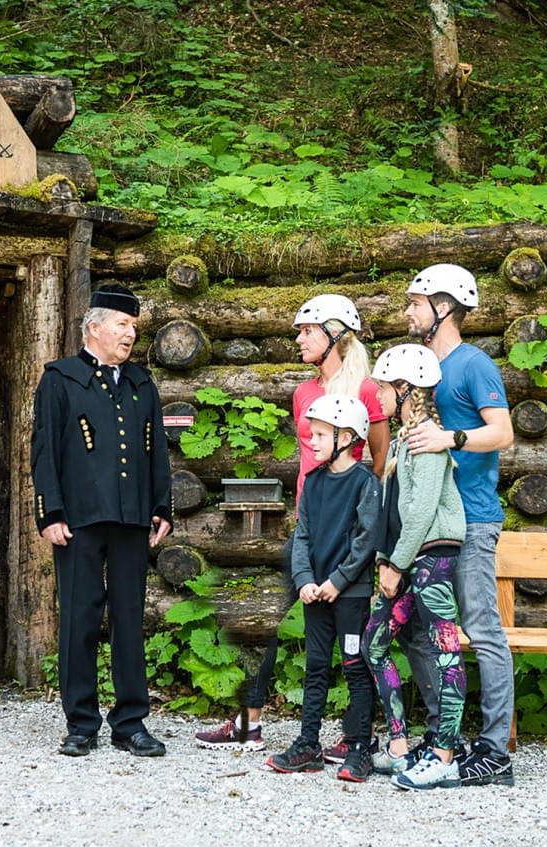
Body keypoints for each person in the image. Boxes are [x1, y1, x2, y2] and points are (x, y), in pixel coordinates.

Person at [195, 294, 390, 754]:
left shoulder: (366, 389)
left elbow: (379, 462)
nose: (298, 339)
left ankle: (355, 736)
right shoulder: (304, 392)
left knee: (352, 638)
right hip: (309, 527)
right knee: (265, 620)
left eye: (308, 331)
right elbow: (307, 466)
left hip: (351, 535)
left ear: (336, 334)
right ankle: (250, 722)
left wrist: (359, 537)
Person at [31, 284, 173, 758]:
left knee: (130, 619)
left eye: (133, 326)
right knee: (79, 619)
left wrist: (161, 507)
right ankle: (81, 723)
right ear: (94, 327)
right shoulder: (60, 378)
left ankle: (130, 723)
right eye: (122, 324)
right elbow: (44, 451)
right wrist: (49, 513)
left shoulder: (141, 383)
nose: (130, 334)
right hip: (79, 522)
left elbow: (156, 452)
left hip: (132, 518)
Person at [402, 263, 516, 786]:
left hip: (472, 518)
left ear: (442, 306)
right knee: (420, 631)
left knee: (481, 629)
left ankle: (495, 751)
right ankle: (447, 735)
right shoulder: (419, 364)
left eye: (415, 303)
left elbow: (503, 433)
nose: (406, 312)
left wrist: (452, 438)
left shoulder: (475, 365)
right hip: (432, 520)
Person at [363, 343, 469, 791]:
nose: (379, 397)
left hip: (435, 560)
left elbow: (423, 511)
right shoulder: (408, 438)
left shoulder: (425, 440)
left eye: (385, 388)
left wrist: (394, 565)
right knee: (374, 641)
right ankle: (401, 744)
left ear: (406, 390)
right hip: (414, 561)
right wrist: (392, 561)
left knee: (447, 650)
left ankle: (445, 754)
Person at [265, 395, 381, 782]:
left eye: (319, 435)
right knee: (315, 666)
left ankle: (360, 747)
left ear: (346, 437)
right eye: (310, 434)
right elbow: (303, 536)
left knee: (354, 665)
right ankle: (308, 745)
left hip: (350, 594)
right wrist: (305, 581)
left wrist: (338, 581)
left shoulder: (366, 483)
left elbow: (367, 541)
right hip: (315, 593)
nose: (310, 442)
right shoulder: (312, 483)